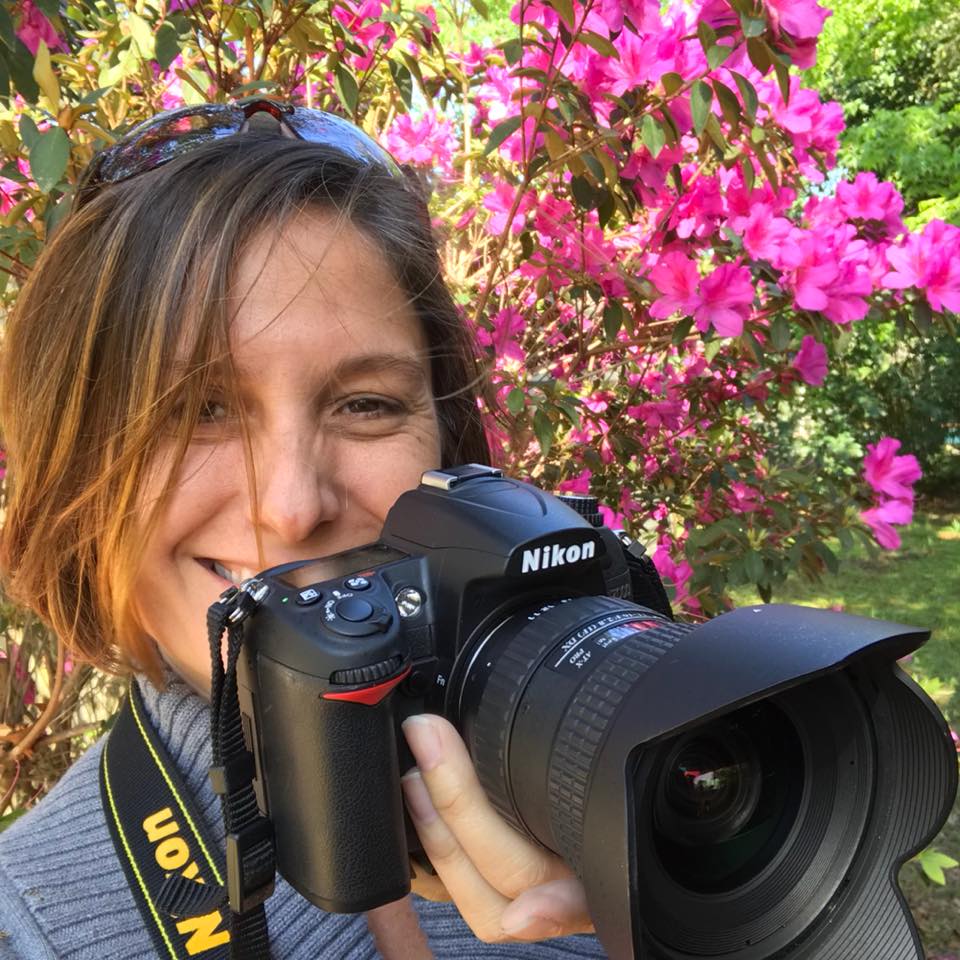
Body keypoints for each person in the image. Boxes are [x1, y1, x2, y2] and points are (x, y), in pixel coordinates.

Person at [0, 99, 607, 959]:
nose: (292, 507)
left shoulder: (593, 763)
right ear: (79, 472)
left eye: (366, 405)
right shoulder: (29, 926)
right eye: (198, 410)